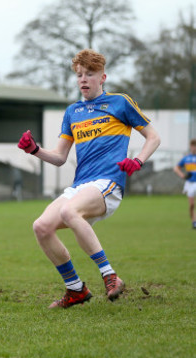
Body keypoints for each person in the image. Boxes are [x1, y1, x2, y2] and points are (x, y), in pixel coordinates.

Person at [17, 49, 160, 309]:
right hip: (81, 184)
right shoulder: (73, 112)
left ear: (102, 77)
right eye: (80, 75)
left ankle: (110, 276)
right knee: (41, 226)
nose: (83, 79)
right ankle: (76, 290)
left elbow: (153, 136)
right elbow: (60, 157)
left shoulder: (120, 102)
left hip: (109, 183)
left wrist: (138, 160)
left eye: (90, 74)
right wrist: (34, 150)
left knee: (71, 211)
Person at [172, 138, 196, 229]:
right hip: (189, 183)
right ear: (190, 147)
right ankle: (194, 221)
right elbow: (176, 168)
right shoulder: (186, 158)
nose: (194, 148)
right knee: (191, 205)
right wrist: (182, 175)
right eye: (193, 146)